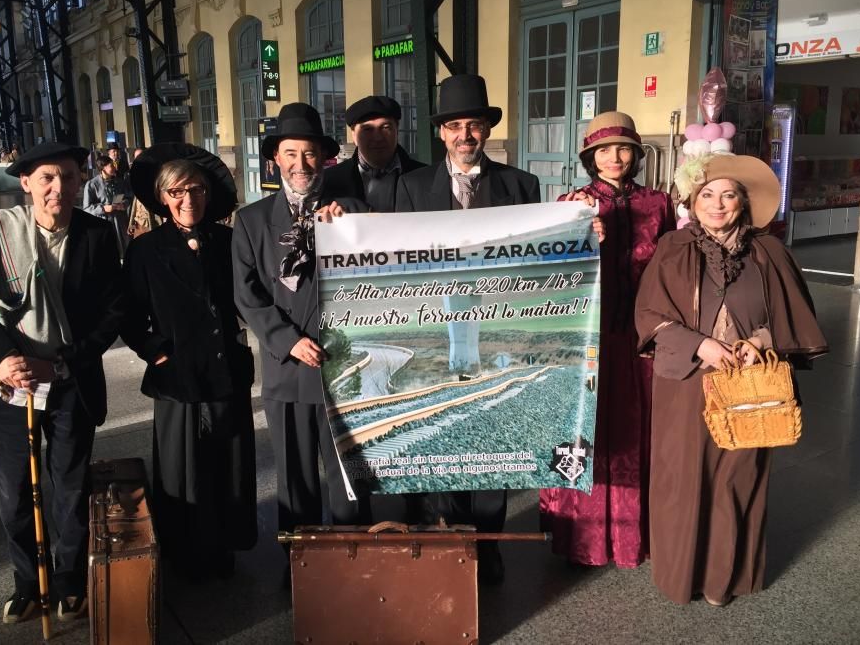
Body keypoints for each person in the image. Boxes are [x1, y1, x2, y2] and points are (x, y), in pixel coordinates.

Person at [0, 142, 124, 623]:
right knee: (16, 491)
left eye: (68, 177)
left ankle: (67, 581)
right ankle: (27, 581)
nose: (57, 187)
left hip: (68, 382)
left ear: (82, 181)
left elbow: (112, 312)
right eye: (46, 177)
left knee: (68, 485)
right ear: (25, 183)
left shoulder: (98, 235)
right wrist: (3, 359)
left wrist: (61, 360)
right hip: (6, 387)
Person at [634, 153, 827, 606]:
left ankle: (726, 578)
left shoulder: (770, 252)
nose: (717, 205)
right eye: (708, 195)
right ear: (694, 201)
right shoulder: (671, 247)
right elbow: (648, 315)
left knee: (736, 479)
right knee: (682, 479)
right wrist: (700, 345)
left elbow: (795, 317)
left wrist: (759, 340)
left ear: (743, 202)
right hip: (686, 383)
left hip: (750, 383)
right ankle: (683, 575)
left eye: (728, 196)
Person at [395, 74, 540, 584]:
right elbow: (398, 261)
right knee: (444, 429)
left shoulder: (521, 185)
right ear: (442, 134)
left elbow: (533, 260)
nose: (464, 135)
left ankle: (490, 544)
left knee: (492, 431)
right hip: (438, 325)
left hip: (498, 326)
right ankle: (450, 539)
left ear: (486, 129)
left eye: (473, 125)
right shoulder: (412, 187)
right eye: (455, 126)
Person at [540, 111, 675, 569]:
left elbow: (673, 269)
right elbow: (551, 271)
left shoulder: (659, 204)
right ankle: (581, 535)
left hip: (640, 340)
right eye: (603, 150)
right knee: (585, 431)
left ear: (636, 154)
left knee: (637, 432)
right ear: (589, 157)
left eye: (623, 149)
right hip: (587, 339)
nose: (614, 158)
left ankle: (639, 534)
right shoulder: (571, 201)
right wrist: (574, 229)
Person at [232, 103, 367, 548]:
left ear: (324, 159)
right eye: (291, 154)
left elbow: (375, 283)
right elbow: (246, 294)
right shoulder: (251, 220)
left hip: (340, 367)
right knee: (295, 479)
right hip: (287, 369)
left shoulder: (352, 211)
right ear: (276, 159)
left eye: (309, 154)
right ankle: (300, 565)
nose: (300, 164)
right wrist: (289, 341)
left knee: (349, 477)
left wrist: (351, 230)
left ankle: (353, 562)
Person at [122, 144, 256, 580]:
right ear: (163, 197)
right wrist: (153, 349)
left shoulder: (230, 240)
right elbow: (127, 312)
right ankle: (182, 553)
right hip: (176, 376)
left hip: (224, 372)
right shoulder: (146, 251)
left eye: (195, 189)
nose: (187, 199)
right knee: (182, 471)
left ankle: (223, 549)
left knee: (226, 466)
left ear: (207, 193)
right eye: (176, 191)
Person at [323, 95, 426, 212]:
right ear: (354, 135)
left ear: (397, 130)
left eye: (385, 127)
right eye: (367, 129)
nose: (377, 137)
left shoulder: (426, 178)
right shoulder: (329, 180)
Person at [83, 155, 132, 257]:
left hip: (121, 222)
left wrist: (124, 204)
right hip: (104, 223)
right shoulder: (92, 185)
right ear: (103, 168)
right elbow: (87, 208)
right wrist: (103, 208)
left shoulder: (119, 181)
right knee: (109, 253)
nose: (114, 167)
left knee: (125, 251)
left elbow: (127, 197)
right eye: (111, 165)